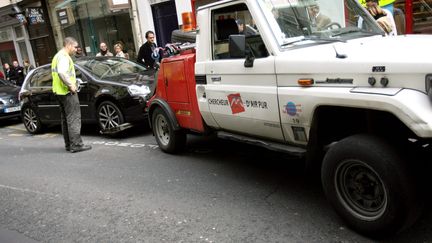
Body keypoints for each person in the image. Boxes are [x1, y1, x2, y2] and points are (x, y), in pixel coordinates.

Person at [51, 36, 91, 153]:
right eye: (74, 47)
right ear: (68, 45)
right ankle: (76, 145)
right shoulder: (64, 57)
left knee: (66, 119)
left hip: (58, 91)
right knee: (73, 118)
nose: (75, 49)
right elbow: (62, 72)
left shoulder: (57, 56)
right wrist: (71, 85)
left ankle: (69, 144)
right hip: (67, 92)